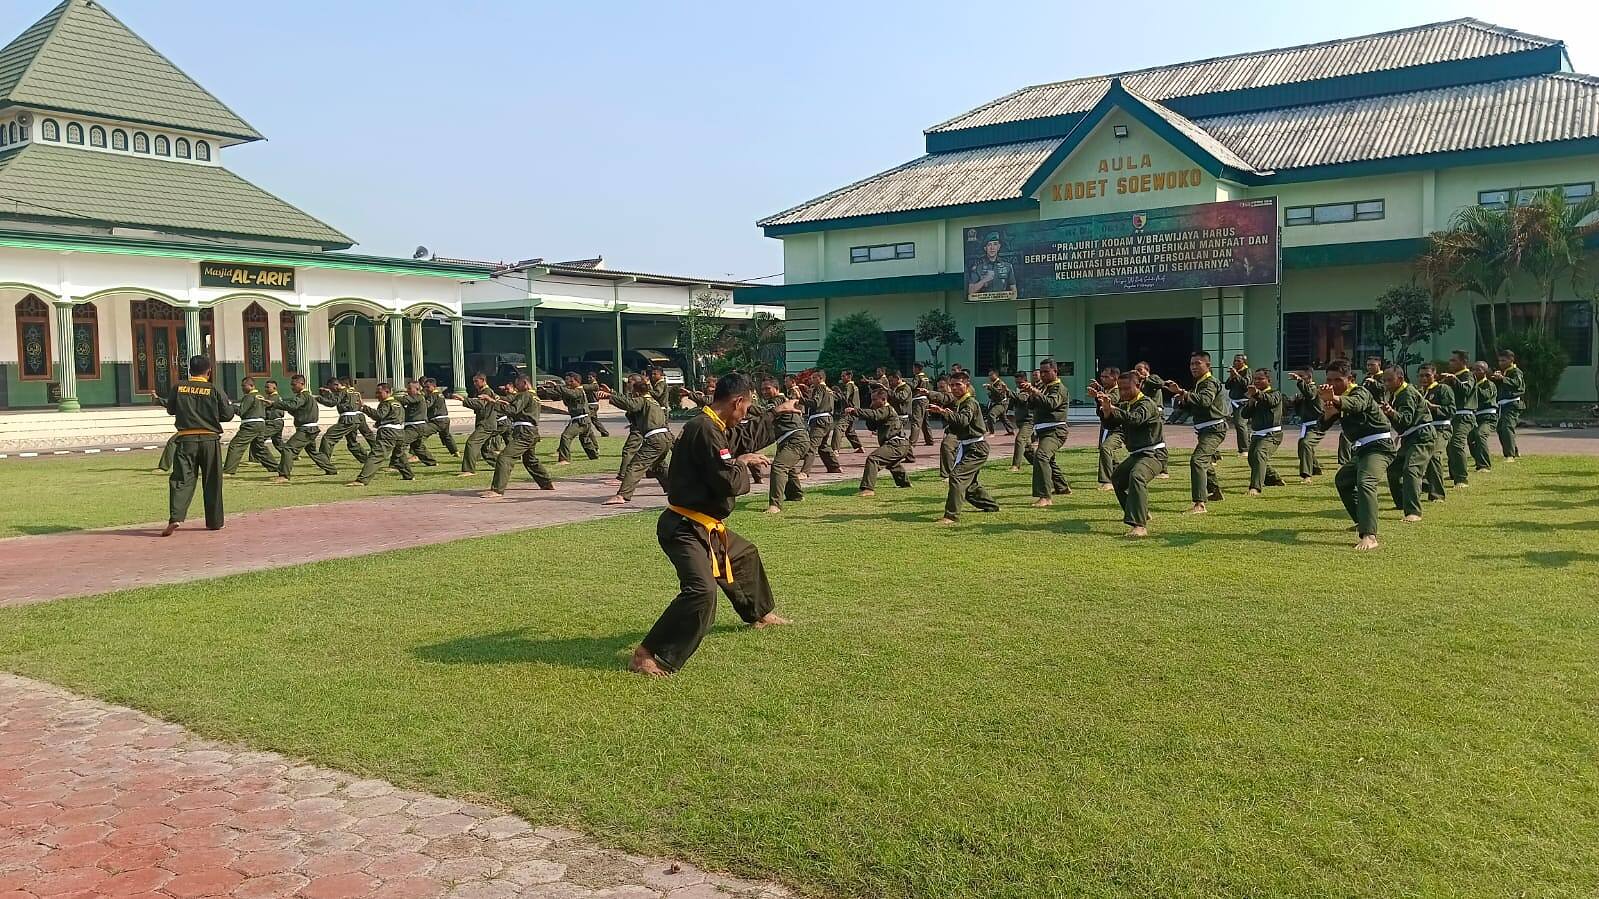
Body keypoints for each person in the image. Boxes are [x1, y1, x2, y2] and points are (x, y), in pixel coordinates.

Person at [631, 372, 792, 676]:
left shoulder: (713, 426)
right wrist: (742, 465)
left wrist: (775, 415)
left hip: (704, 525)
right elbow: (728, 481)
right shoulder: (703, 429)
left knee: (744, 555)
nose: (746, 415)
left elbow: (743, 438)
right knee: (701, 592)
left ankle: (758, 614)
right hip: (684, 528)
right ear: (737, 401)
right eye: (747, 408)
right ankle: (648, 653)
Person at [1320, 360, 1395, 551]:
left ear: (1350, 378)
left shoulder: (1360, 392)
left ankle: (1369, 535)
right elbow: (1322, 425)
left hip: (1379, 446)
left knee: (1366, 482)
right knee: (1343, 480)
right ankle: (1361, 520)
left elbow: (1356, 405)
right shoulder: (1338, 396)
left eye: (1338, 379)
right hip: (1362, 449)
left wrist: (1335, 400)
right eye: (1329, 379)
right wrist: (1328, 413)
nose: (1332, 384)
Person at [161, 355, 236, 536]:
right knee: (212, 480)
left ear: (189, 371)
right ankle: (215, 521)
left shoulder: (178, 387)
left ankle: (176, 518)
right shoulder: (214, 388)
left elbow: (171, 409)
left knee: (181, 479)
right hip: (209, 440)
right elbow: (227, 415)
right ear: (209, 371)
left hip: (186, 439)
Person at [1093, 370, 1166, 538]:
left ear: (1138, 386)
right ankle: (1141, 511)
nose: (1123, 392)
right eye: (1121, 389)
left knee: (1137, 476)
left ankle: (1139, 526)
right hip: (1137, 454)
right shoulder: (1126, 405)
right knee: (1117, 479)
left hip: (1154, 454)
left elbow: (1135, 419)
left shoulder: (1146, 403)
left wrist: (1113, 409)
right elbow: (1113, 425)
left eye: (1127, 388)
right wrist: (1106, 411)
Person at [927, 371, 999, 524]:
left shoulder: (970, 403)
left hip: (976, 448)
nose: (954, 388)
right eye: (952, 385)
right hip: (967, 446)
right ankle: (991, 505)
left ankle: (951, 516)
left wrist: (943, 412)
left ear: (967, 385)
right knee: (970, 484)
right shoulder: (959, 403)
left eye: (958, 385)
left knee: (957, 477)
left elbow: (963, 421)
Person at [1164, 351, 1229, 514]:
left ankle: (1199, 504)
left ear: (1208, 365)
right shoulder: (1200, 383)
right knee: (1204, 460)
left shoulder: (1209, 382)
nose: (1193, 367)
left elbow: (1205, 401)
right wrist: (1181, 397)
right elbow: (1194, 404)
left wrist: (1183, 393)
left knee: (1197, 460)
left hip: (1214, 429)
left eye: (1197, 363)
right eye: (1191, 364)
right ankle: (1215, 492)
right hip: (1205, 429)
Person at [482, 374, 555, 497]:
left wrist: (492, 403)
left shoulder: (525, 395)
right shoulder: (534, 396)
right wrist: (499, 401)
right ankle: (546, 483)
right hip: (531, 431)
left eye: (518, 384)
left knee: (505, 457)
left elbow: (513, 410)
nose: (516, 386)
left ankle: (497, 490)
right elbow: (515, 405)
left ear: (525, 383)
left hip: (524, 432)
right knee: (530, 460)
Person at [605, 375, 671, 505]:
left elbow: (630, 405)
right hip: (665, 437)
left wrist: (610, 397)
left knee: (635, 466)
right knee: (658, 466)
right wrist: (612, 393)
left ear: (636, 391)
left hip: (655, 439)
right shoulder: (653, 401)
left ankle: (622, 495)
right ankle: (673, 489)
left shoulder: (642, 400)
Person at [1379, 364, 1433, 523]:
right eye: (1384, 380)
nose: (1386, 384)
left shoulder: (1407, 393)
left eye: (1389, 380)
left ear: (1400, 379)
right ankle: (1401, 503)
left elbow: (1406, 420)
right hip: (1409, 438)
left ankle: (1414, 512)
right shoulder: (1396, 393)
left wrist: (1391, 413)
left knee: (1411, 470)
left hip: (1421, 437)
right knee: (1394, 469)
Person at [1017, 359, 1071, 506]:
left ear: (1055, 371)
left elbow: (1051, 404)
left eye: (1046, 372)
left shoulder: (1059, 388)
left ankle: (1045, 497)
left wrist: (1036, 392)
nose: (1043, 375)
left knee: (1041, 456)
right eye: (1041, 372)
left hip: (1055, 430)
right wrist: (1031, 394)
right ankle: (1062, 487)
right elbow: (1033, 406)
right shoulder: (1045, 387)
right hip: (1044, 430)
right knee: (1049, 460)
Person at [269, 374, 338, 482]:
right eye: (291, 385)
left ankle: (283, 475)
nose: (292, 387)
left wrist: (275, 404)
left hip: (306, 430)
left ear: (302, 384)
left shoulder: (302, 396)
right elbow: (297, 412)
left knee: (288, 449)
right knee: (313, 452)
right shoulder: (307, 397)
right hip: (310, 429)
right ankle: (331, 469)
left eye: (294, 384)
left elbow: (293, 406)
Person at [348, 383, 414, 486]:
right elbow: (394, 417)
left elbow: (379, 415)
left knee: (376, 456)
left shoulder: (386, 403)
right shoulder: (397, 403)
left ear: (387, 392)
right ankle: (409, 476)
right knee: (399, 455)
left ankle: (362, 480)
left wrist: (364, 408)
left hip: (388, 433)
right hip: (400, 433)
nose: (376, 395)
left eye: (379, 393)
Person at [852, 386, 913, 495]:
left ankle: (868, 489)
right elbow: (871, 425)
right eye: (872, 400)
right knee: (892, 464)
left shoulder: (887, 409)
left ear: (884, 400)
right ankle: (905, 484)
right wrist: (870, 411)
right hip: (898, 445)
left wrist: (856, 411)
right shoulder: (881, 411)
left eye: (875, 400)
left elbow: (875, 415)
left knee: (873, 459)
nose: (873, 402)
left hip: (896, 444)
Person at [762, 376, 810, 513]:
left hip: (795, 439)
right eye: (762, 389)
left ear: (776, 389)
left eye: (767, 388)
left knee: (779, 466)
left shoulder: (776, 401)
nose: (764, 392)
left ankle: (775, 505)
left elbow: (764, 414)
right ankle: (796, 495)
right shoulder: (781, 400)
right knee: (789, 468)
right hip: (789, 439)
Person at [221, 376, 279, 475]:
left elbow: (241, 411)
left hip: (250, 425)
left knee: (236, 445)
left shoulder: (249, 396)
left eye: (244, 386)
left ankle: (228, 470)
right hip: (260, 424)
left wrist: (230, 405)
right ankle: (275, 467)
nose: (242, 388)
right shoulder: (259, 396)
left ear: (251, 386)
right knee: (259, 448)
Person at [1241, 367, 1285, 495]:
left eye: (1261, 379)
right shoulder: (1254, 396)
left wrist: (1256, 394)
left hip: (1272, 434)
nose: (1257, 381)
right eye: (1255, 379)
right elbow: (1244, 415)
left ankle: (1255, 488)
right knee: (1252, 459)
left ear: (1269, 380)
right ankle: (1274, 478)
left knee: (1259, 454)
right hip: (1257, 434)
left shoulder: (1275, 393)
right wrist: (1250, 402)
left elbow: (1270, 402)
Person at [541, 373, 600, 463]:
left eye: (571, 381)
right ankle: (594, 456)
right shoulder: (568, 390)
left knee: (566, 436)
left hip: (582, 420)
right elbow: (558, 393)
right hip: (579, 419)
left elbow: (571, 394)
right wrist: (544, 391)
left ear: (577, 382)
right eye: (567, 380)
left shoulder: (579, 390)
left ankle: (564, 459)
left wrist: (557, 386)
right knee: (585, 440)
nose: (568, 383)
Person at [1418, 363, 1455, 502]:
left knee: (1434, 455)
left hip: (1441, 428)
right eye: (1421, 375)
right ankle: (1425, 485)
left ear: (1435, 376)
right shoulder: (1419, 392)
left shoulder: (1443, 389)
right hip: (1424, 429)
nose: (1424, 378)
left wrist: (1433, 408)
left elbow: (1451, 410)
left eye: (1427, 375)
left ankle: (1437, 494)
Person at [1439, 351, 1477, 487]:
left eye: (1454, 360)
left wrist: (1454, 380)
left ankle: (1461, 479)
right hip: (1453, 416)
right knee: (1450, 446)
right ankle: (1454, 473)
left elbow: (1466, 390)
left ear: (1463, 362)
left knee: (1456, 443)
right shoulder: (1454, 377)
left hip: (1464, 416)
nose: (1450, 363)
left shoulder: (1468, 375)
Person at [317, 377, 371, 464]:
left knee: (328, 438)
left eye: (330, 387)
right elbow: (339, 399)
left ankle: (324, 462)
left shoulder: (342, 391)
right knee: (352, 443)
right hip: (355, 419)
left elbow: (332, 402)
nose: (330, 389)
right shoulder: (351, 391)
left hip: (347, 420)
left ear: (336, 385)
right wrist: (328, 394)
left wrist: (318, 398)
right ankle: (366, 460)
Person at [1287, 367, 1326, 483]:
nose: (1298, 378)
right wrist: (1295, 402)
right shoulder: (1305, 391)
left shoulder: (1314, 388)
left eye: (1302, 376)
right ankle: (1315, 467)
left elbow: (1310, 395)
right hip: (1307, 424)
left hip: (1317, 424)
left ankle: (1306, 475)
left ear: (1309, 377)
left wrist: (1299, 381)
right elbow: (1302, 410)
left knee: (1305, 444)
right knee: (1303, 446)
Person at [457, 373, 500, 477]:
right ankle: (502, 465)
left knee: (471, 443)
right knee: (486, 451)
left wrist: (464, 400)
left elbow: (480, 405)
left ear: (483, 380)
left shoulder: (487, 392)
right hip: (485, 423)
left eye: (476, 381)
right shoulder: (482, 392)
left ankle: (468, 470)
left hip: (486, 424)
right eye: (474, 381)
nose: (474, 384)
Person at [799, 371, 841, 476]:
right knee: (823, 445)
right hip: (827, 419)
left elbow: (815, 403)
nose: (811, 380)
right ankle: (834, 467)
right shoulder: (829, 390)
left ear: (820, 378)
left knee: (811, 445)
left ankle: (805, 472)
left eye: (814, 378)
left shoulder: (820, 388)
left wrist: (800, 400)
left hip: (819, 420)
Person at [1092, 366, 1125, 491]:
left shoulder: (1117, 391)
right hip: (1108, 426)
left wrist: (1098, 396)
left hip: (1118, 428)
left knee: (1106, 448)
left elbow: (1112, 400)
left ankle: (1107, 481)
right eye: (1102, 377)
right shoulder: (1108, 389)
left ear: (1115, 378)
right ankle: (1120, 473)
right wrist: (1099, 391)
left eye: (1106, 377)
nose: (1103, 379)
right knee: (1107, 450)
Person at [1491, 349, 1526, 461]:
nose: (1501, 363)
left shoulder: (1516, 372)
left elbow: (1518, 385)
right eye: (1499, 361)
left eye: (1504, 360)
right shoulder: (1503, 372)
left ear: (1511, 360)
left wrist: (1503, 379)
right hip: (1502, 405)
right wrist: (1496, 379)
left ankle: (1509, 455)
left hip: (1513, 404)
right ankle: (1514, 451)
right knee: (1501, 429)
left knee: (1507, 427)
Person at [396, 380, 439, 467]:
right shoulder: (414, 398)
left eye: (409, 388)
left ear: (417, 389)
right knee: (418, 447)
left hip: (415, 427)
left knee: (400, 443)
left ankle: (396, 465)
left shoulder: (418, 397)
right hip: (415, 426)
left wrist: (391, 398)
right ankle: (431, 462)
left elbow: (404, 400)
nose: (407, 390)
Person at [1469, 360, 1498, 472]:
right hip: (1476, 417)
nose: (1474, 372)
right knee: (1471, 437)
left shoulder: (1489, 384)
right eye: (1473, 369)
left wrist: (1473, 386)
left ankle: (1484, 465)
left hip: (1488, 417)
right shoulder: (1473, 384)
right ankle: (1478, 461)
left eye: (1478, 369)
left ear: (1485, 371)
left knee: (1480, 434)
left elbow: (1485, 396)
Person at [967, 231, 1017, 297]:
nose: (992, 248)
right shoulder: (977, 266)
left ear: (999, 247)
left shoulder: (1007, 266)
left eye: (995, 244)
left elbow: (1014, 290)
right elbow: (970, 291)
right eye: (989, 244)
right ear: (985, 248)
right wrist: (984, 280)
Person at [423, 378, 459, 458]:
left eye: (428, 387)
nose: (426, 389)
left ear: (434, 386)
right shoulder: (440, 394)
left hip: (437, 420)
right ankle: (455, 451)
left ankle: (416, 454)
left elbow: (427, 405)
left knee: (422, 433)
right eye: (425, 387)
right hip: (445, 419)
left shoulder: (433, 395)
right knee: (446, 436)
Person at [1224, 354, 1250, 455]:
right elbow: (1227, 386)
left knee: (1240, 423)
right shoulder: (1235, 372)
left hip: (1243, 402)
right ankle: (1248, 444)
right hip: (1235, 402)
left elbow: (1246, 384)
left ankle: (1244, 449)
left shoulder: (1247, 371)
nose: (1235, 363)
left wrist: (1237, 375)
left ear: (1244, 362)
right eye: (1235, 360)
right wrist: (1231, 377)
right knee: (1240, 424)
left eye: (1238, 361)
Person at [1009, 370, 1034, 472]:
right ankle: (1038, 462)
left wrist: (1007, 391)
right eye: (1016, 383)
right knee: (1027, 448)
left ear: (1026, 381)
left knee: (1020, 440)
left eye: (1020, 382)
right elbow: (1014, 401)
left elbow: (1021, 400)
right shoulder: (1020, 391)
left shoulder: (1028, 391)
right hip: (1020, 422)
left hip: (1028, 422)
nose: (1018, 385)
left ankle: (1016, 465)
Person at [834, 370, 864, 453]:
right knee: (849, 431)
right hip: (855, 411)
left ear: (849, 376)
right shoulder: (854, 386)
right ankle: (859, 447)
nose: (841, 378)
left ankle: (835, 449)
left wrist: (836, 392)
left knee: (838, 428)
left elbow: (844, 398)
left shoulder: (849, 386)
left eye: (843, 376)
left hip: (849, 411)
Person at [909, 362, 934, 446]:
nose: (912, 370)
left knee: (916, 421)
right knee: (925, 422)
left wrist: (905, 381)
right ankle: (929, 440)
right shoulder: (925, 377)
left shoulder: (917, 377)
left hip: (918, 400)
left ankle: (912, 442)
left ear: (916, 368)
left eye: (913, 368)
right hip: (925, 399)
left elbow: (913, 386)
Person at [984, 370, 1013, 435]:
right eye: (989, 375)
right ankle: (1011, 431)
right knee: (1003, 418)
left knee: (991, 415)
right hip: (997, 403)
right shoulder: (994, 383)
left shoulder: (999, 383)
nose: (989, 377)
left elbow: (999, 393)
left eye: (991, 375)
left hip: (1001, 403)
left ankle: (991, 432)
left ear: (995, 375)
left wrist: (990, 387)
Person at [262, 380, 287, 455]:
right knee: (277, 441)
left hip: (274, 422)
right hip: (276, 422)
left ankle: (255, 458)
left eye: (267, 387)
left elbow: (265, 404)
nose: (265, 389)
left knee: (259, 438)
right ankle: (290, 455)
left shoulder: (274, 397)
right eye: (265, 387)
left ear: (274, 388)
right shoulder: (273, 397)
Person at [583, 372, 611, 438]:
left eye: (590, 377)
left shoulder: (595, 385)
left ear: (594, 378)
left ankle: (587, 433)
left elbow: (585, 387)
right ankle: (604, 432)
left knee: (587, 418)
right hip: (590, 404)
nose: (589, 379)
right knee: (595, 420)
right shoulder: (590, 385)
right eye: (588, 377)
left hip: (593, 405)